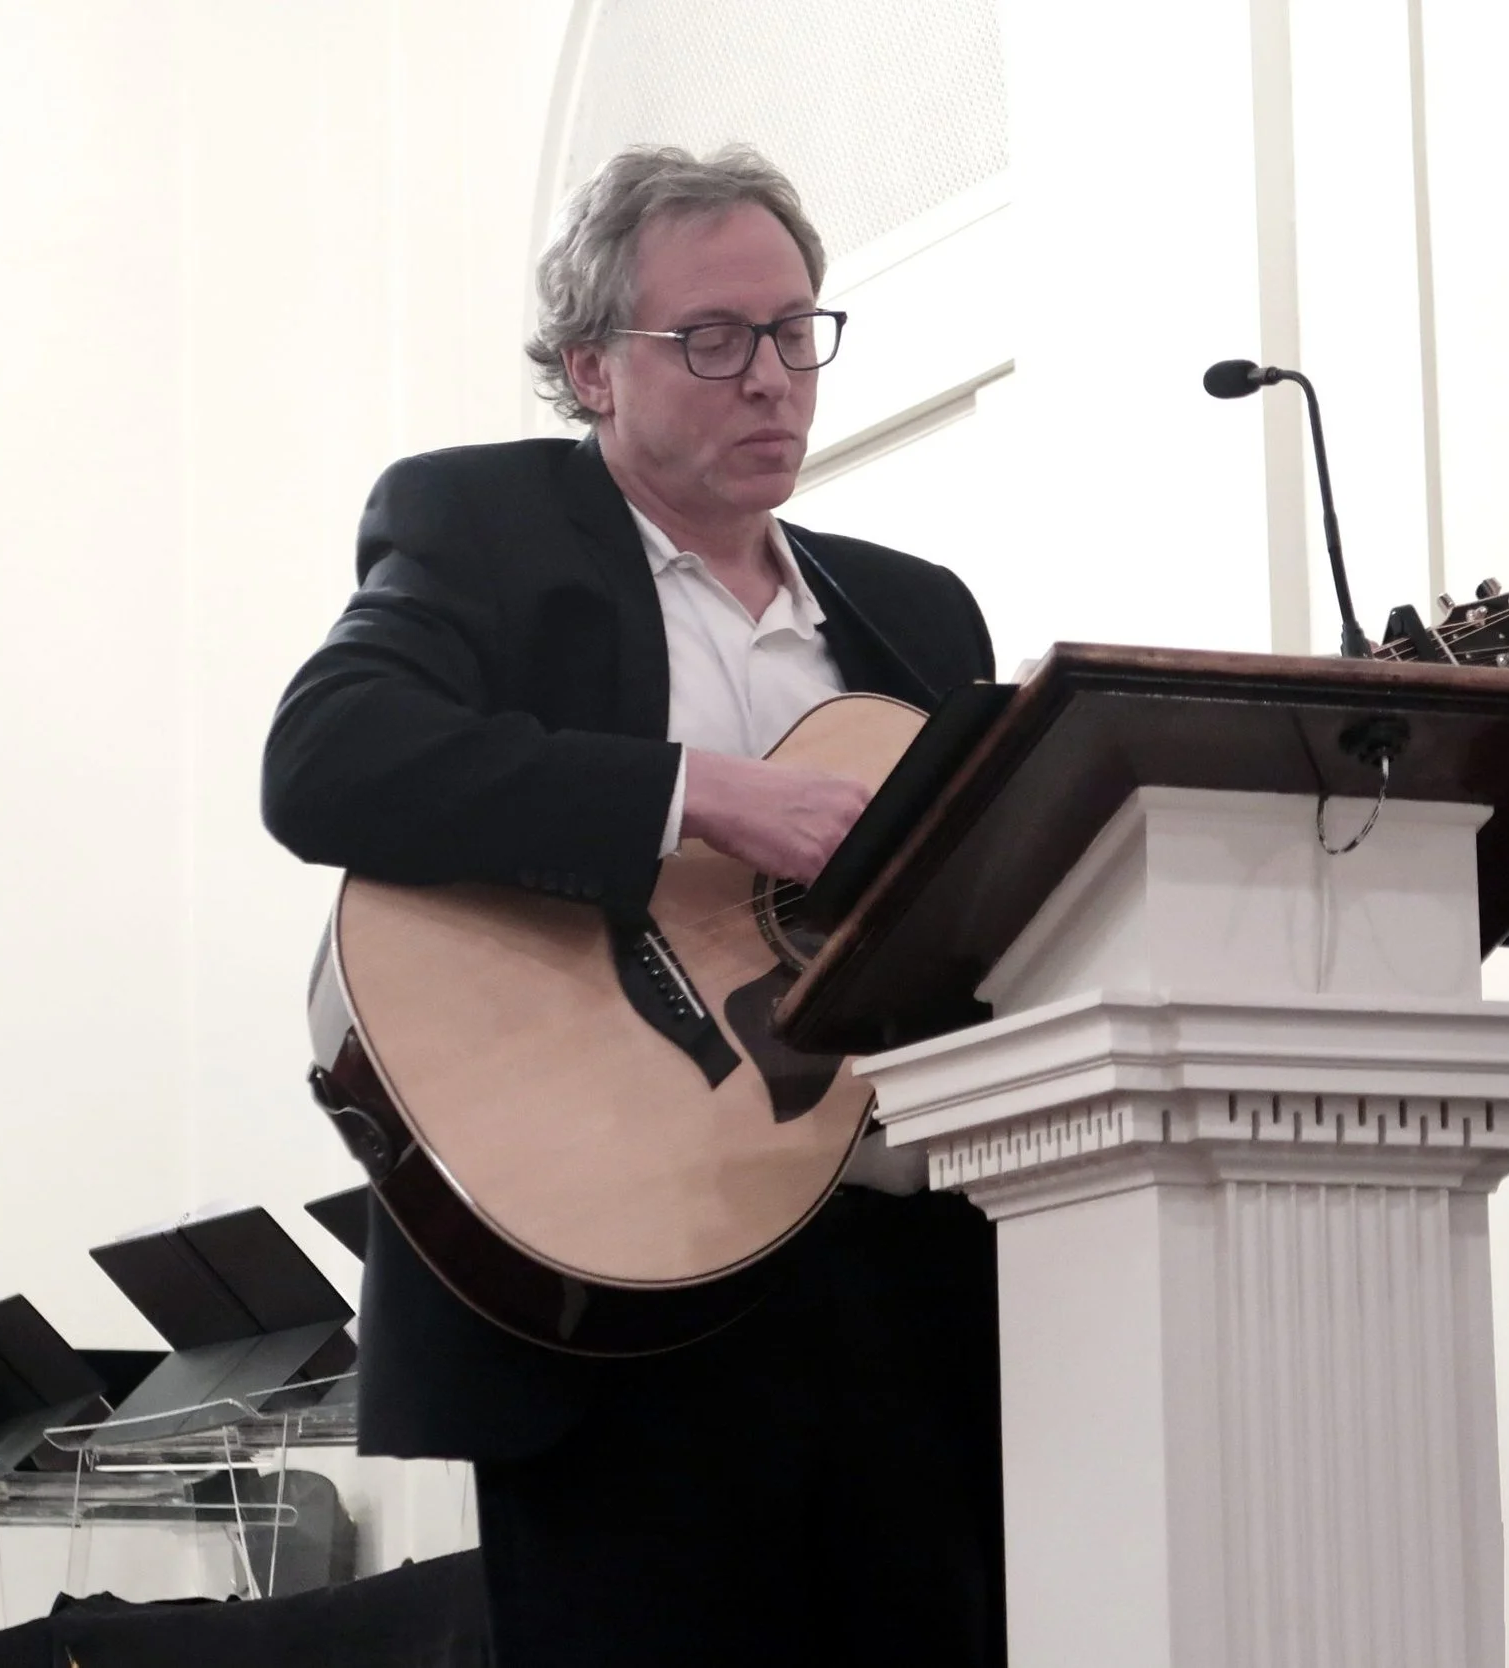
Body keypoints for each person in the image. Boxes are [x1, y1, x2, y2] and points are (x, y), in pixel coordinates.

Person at [262, 145, 1005, 1667]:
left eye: (798, 331)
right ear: (592, 369)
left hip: (899, 1281)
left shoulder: (915, 611)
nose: (772, 378)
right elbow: (326, 762)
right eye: (714, 340)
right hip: (609, 1284)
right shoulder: (485, 530)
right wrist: (706, 794)